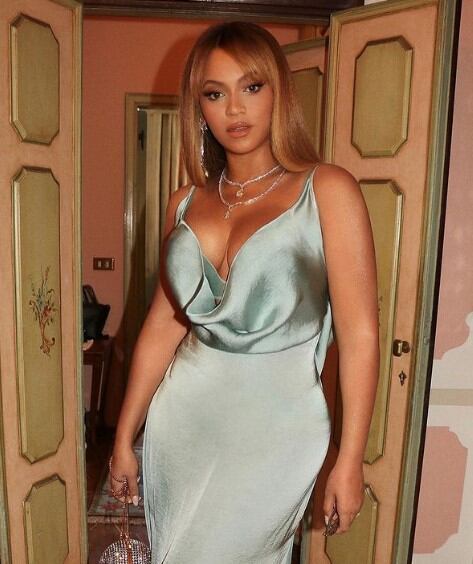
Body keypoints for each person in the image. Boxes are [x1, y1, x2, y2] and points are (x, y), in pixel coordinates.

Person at [110, 21, 379, 563]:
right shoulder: (185, 202)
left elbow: (360, 336)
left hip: (278, 428)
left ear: (279, 92)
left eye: (251, 87)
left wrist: (350, 458)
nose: (234, 108)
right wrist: (124, 436)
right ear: (199, 107)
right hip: (185, 418)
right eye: (215, 94)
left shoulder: (327, 190)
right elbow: (164, 325)